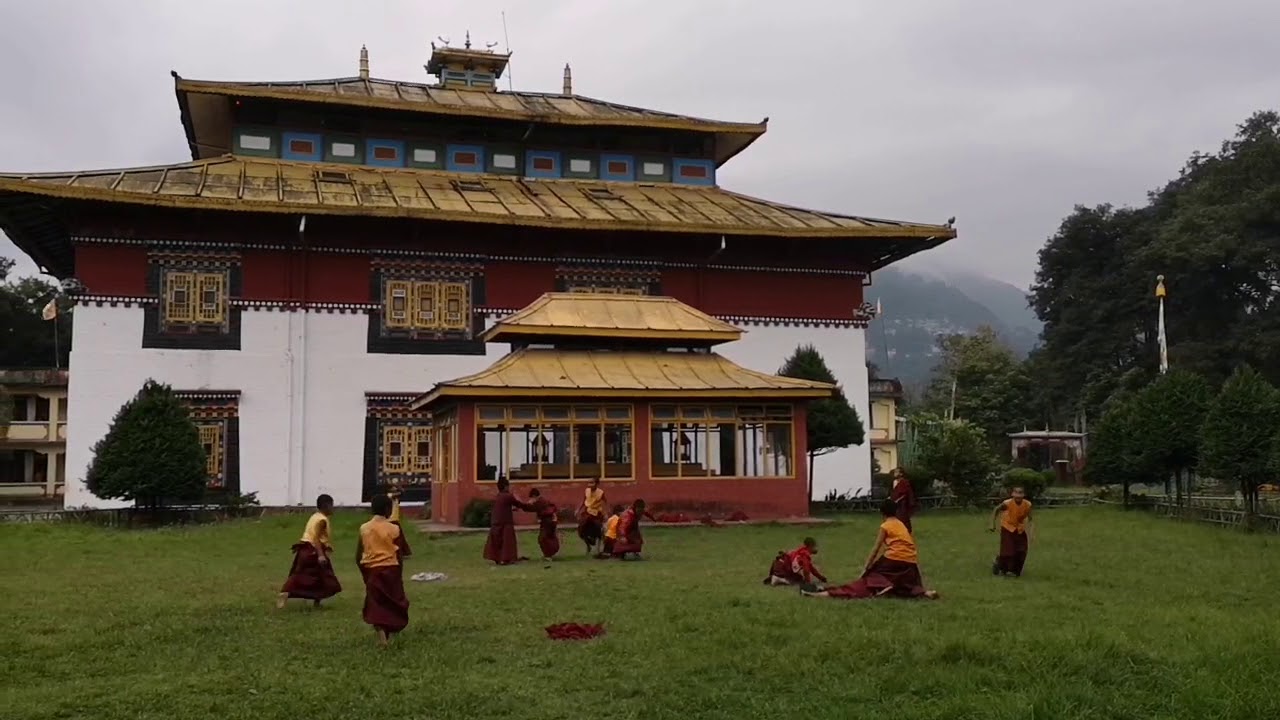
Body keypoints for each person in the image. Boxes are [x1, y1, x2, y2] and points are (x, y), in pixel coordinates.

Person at [802, 499, 939, 600]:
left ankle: (824, 594)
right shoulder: (901, 524)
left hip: (893, 558)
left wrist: (866, 568)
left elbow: (876, 549)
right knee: (904, 584)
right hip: (910, 561)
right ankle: (925, 593)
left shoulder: (885, 526)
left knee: (867, 581)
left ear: (882, 513)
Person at [356, 494, 412, 647]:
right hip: (391, 568)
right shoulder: (394, 528)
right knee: (394, 600)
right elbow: (399, 554)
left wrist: (364, 573)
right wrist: (399, 573)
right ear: (388, 509)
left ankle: (381, 633)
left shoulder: (364, 528)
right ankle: (390, 628)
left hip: (372, 569)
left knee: (376, 603)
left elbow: (358, 554)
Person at [277, 494, 343, 609]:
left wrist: (327, 546)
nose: (333, 508)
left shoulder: (315, 516)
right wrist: (321, 555)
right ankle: (286, 592)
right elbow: (315, 538)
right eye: (332, 505)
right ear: (326, 506)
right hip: (313, 551)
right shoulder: (322, 520)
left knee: (317, 577)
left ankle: (316, 601)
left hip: (305, 549)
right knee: (322, 577)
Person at [484, 478, 535, 565]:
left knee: (497, 540)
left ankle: (497, 558)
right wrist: (530, 505)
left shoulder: (498, 496)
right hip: (505, 522)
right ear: (505, 487)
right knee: (507, 541)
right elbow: (519, 504)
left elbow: (503, 507)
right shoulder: (508, 496)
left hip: (495, 521)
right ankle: (506, 558)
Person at [990, 486, 1033, 577]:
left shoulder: (1027, 504)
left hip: (1019, 528)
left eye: (1020, 493)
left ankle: (1016, 571)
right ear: (1012, 494)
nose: (1018, 496)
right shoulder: (1007, 503)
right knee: (1008, 551)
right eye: (1016, 493)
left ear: (1023, 495)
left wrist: (1030, 531)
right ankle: (1001, 567)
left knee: (1021, 550)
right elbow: (996, 510)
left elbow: (1030, 518)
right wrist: (992, 524)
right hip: (1007, 527)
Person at [763, 537, 828, 586]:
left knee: (798, 577)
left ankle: (775, 576)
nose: (816, 549)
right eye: (815, 546)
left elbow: (812, 569)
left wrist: (821, 578)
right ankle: (779, 579)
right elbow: (806, 570)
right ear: (810, 546)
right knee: (799, 581)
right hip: (783, 568)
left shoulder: (801, 551)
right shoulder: (805, 555)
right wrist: (808, 582)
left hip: (778, 564)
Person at [577, 479, 607, 555]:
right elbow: (584, 501)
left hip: (596, 513)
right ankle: (588, 546)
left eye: (592, 483)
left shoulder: (600, 493)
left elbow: (605, 502)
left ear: (597, 484)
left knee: (598, 528)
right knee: (581, 529)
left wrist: (605, 513)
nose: (590, 485)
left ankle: (599, 548)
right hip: (587, 512)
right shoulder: (587, 490)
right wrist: (578, 509)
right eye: (589, 483)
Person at [528, 488, 560, 561]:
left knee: (544, 538)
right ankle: (548, 554)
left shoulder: (540, 501)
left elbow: (531, 508)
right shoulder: (542, 501)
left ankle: (548, 555)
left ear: (534, 496)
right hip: (548, 521)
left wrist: (529, 504)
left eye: (532, 498)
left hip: (548, 522)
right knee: (546, 537)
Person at [890, 467, 919, 533]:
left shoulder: (905, 482)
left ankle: (906, 532)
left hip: (902, 504)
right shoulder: (894, 482)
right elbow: (894, 492)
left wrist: (898, 500)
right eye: (895, 472)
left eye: (897, 472)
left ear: (901, 474)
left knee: (903, 518)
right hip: (895, 504)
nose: (895, 473)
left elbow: (906, 493)